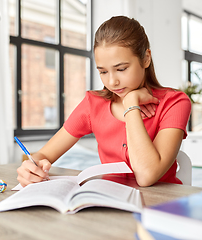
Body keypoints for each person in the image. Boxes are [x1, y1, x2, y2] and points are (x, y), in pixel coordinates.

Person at [17, 16, 191, 187]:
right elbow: (44, 154)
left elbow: (146, 176)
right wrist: (31, 168)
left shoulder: (174, 103)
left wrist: (131, 105)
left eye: (121, 69)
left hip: (160, 206)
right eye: (103, 72)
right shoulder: (93, 104)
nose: (112, 82)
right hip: (109, 204)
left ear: (145, 58)